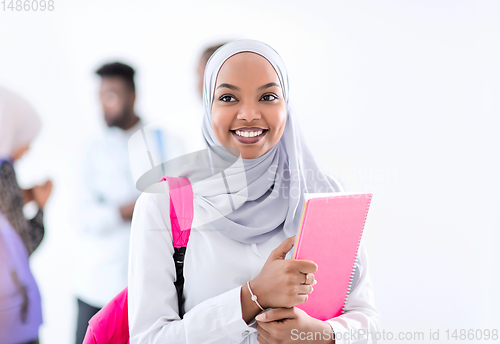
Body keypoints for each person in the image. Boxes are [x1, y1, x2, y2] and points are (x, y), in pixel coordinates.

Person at [128, 40, 381, 343]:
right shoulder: (165, 204)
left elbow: (368, 322)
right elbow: (149, 338)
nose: (249, 113)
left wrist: (322, 335)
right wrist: (252, 296)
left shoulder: (326, 196)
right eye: (228, 97)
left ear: (287, 105)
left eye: (268, 96)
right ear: (208, 106)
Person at [73, 62, 143, 344]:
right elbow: (81, 216)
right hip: (95, 287)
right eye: (101, 96)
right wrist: (127, 210)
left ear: (132, 97)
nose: (105, 104)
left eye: (112, 95)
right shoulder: (90, 150)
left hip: (142, 289)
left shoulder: (161, 142)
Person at [0, 86, 52, 344]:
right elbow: (24, 244)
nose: (28, 149)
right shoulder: (4, 171)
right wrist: (41, 207)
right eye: (26, 139)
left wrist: (27, 196)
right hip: (12, 316)